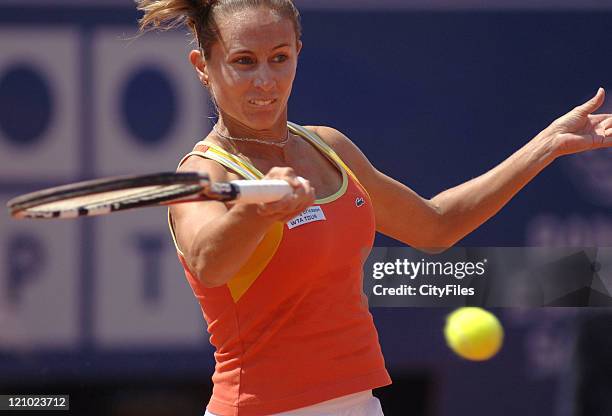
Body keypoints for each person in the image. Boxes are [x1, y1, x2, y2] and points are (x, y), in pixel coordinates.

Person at [136, 0, 612, 414]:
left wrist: (546, 145)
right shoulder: (203, 174)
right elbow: (209, 263)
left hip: (361, 405)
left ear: (298, 53)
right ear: (203, 66)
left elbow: (436, 226)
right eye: (243, 62)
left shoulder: (329, 146)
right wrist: (255, 211)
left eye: (279, 58)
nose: (265, 80)